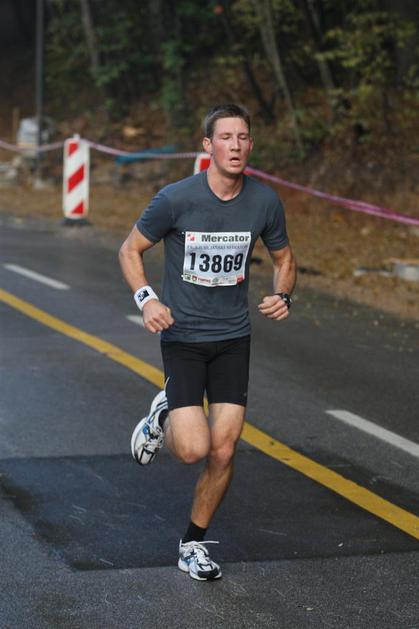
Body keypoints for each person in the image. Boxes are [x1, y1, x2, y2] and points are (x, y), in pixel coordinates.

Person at [118, 103, 296, 581]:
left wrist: (283, 294)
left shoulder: (264, 202)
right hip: (184, 337)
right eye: (225, 137)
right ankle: (163, 413)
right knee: (193, 449)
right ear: (207, 145)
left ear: (250, 145)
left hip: (234, 338)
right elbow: (130, 249)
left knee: (224, 450)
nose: (235, 146)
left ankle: (192, 544)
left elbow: (284, 258)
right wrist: (147, 300)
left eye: (242, 137)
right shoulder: (176, 199)